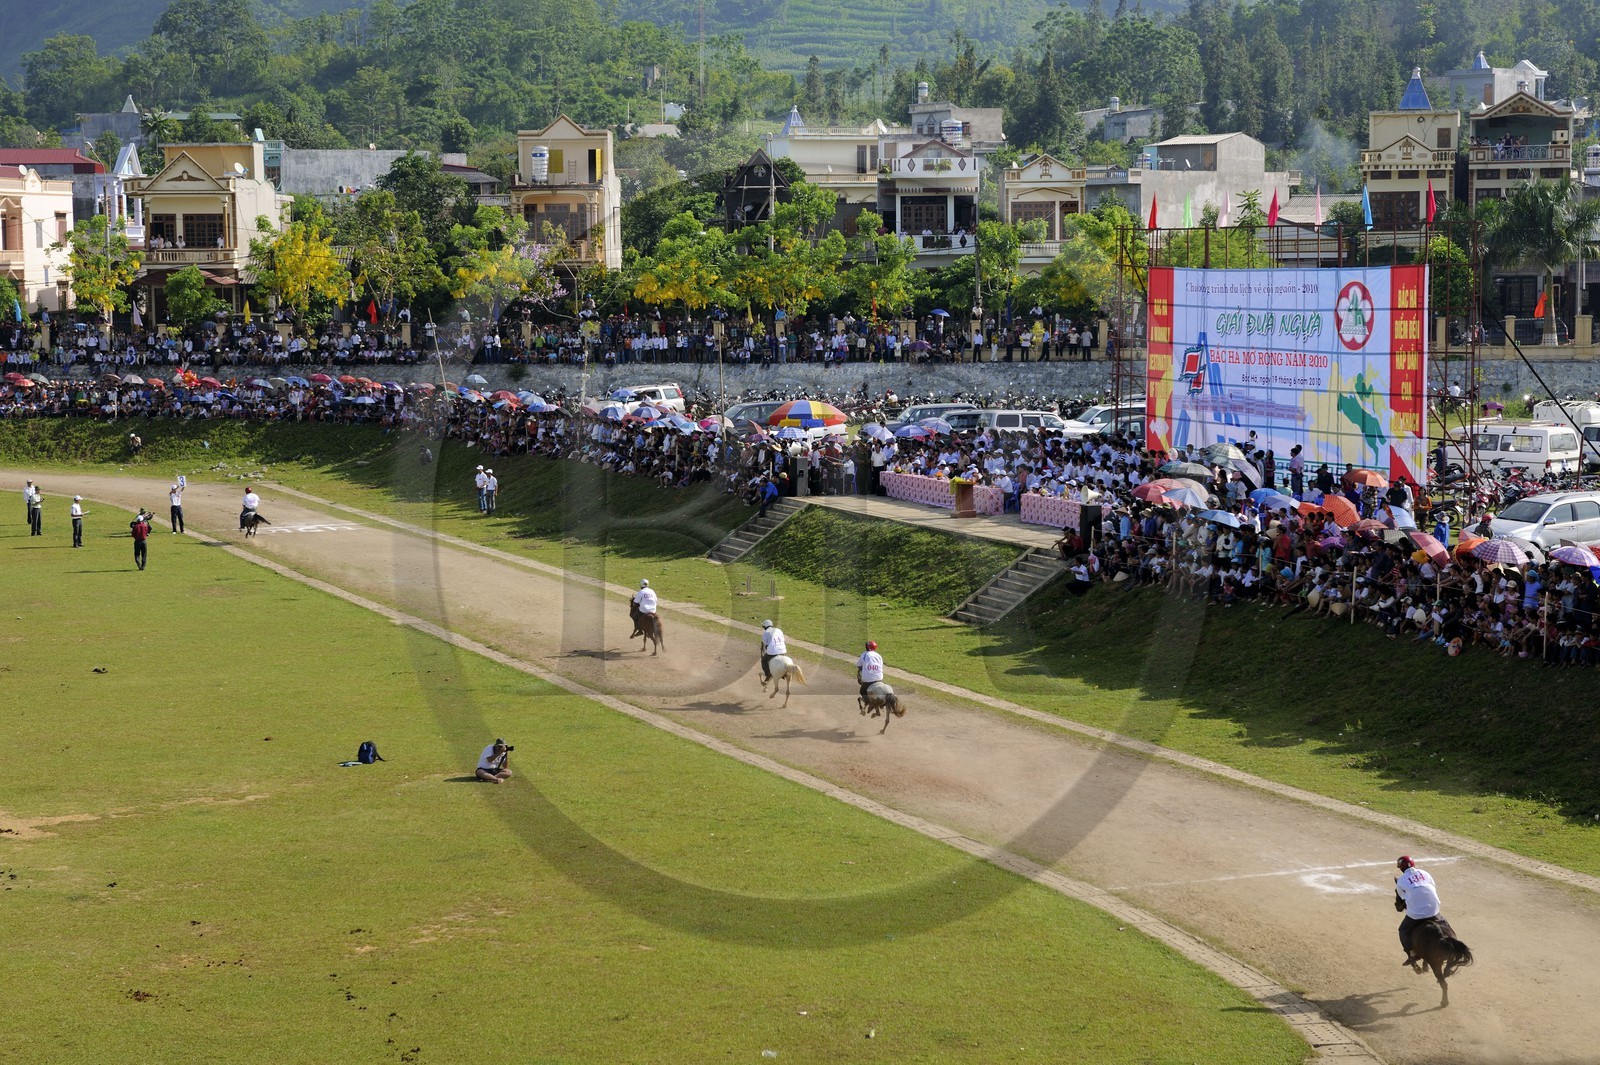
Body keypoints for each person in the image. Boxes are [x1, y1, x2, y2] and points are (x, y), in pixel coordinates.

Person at [1394, 855, 1446, 966]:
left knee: (1403, 930)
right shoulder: (1425, 873)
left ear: (1401, 868)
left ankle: (1412, 954)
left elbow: (1403, 899)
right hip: (1434, 908)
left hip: (1416, 914)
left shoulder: (1401, 881)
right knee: (1444, 922)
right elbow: (1433, 886)